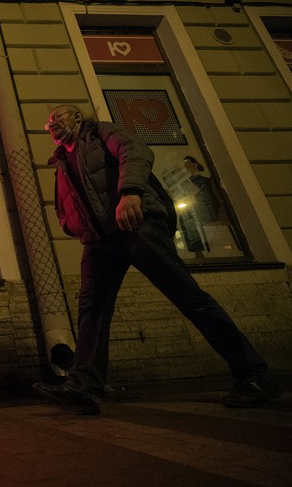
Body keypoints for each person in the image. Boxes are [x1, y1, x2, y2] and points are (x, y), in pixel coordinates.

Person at [32, 104, 281, 415]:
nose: (51, 123)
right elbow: (64, 207)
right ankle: (85, 385)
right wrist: (72, 225)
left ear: (78, 117)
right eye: (49, 121)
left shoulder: (100, 132)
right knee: (92, 311)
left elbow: (134, 150)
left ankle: (255, 375)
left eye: (59, 116)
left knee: (189, 298)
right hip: (100, 242)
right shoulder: (61, 161)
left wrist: (131, 191)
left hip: (137, 226)